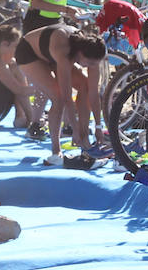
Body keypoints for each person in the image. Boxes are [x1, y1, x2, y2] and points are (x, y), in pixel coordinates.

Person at [15, 23, 108, 166]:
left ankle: (86, 144)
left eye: (93, 65)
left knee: (85, 86)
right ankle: (56, 152)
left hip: (51, 54)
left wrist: (98, 127)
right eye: (88, 64)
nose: (89, 67)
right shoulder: (64, 51)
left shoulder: (92, 56)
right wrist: (74, 129)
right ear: (80, 54)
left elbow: (94, 95)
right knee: (57, 97)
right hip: (29, 53)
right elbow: (67, 98)